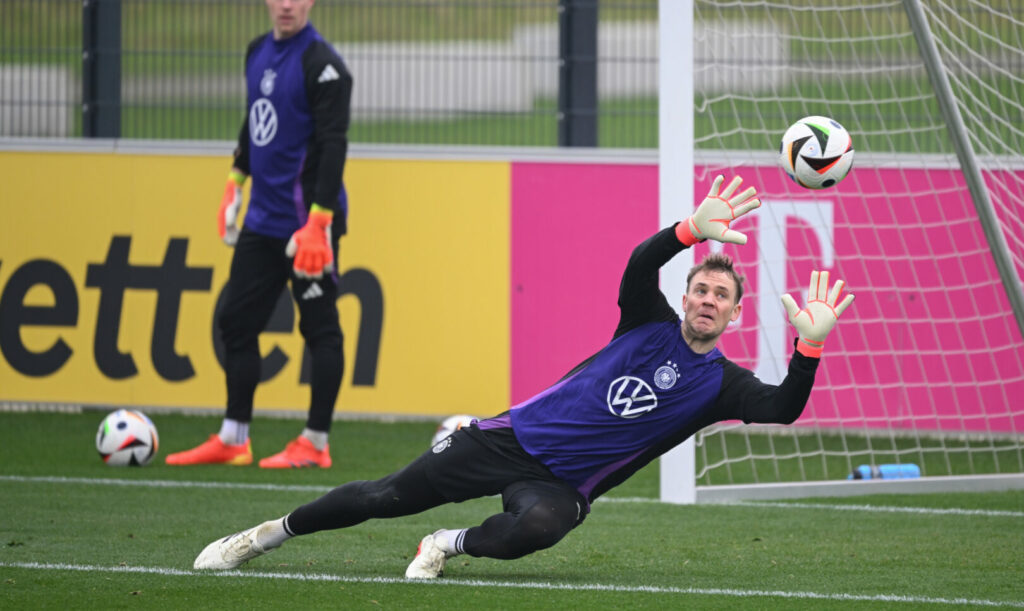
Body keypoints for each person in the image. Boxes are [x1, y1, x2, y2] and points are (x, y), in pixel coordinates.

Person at [192, 174, 854, 575]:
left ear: (735, 316)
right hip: (500, 441)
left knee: (533, 531)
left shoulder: (721, 384)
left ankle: (445, 543)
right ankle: (263, 535)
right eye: (701, 289)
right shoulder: (644, 320)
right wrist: (685, 230)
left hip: (562, 483)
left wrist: (810, 348)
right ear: (685, 297)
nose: (708, 299)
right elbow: (637, 261)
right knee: (379, 496)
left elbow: (783, 408)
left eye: (721, 296)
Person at [166, 0, 353, 469]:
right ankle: (234, 437)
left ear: (312, 0)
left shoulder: (325, 66)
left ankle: (315, 442)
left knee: (319, 330)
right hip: (262, 221)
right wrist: (234, 181)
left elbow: (334, 147)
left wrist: (319, 223)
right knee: (235, 321)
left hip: (306, 225)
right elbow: (255, 126)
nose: (287, 4)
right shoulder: (256, 52)